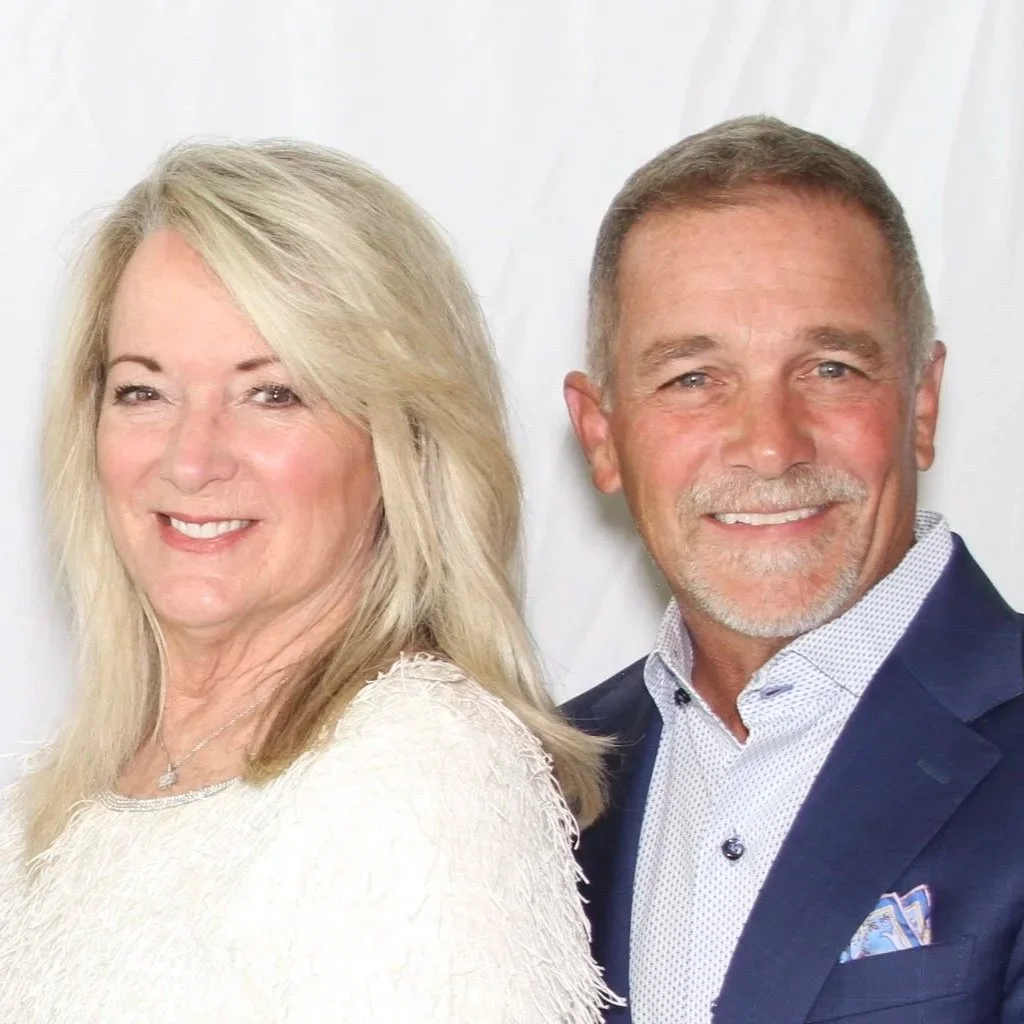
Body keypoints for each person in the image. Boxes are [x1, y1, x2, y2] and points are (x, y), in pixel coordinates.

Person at [0, 139, 618, 1022]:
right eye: (144, 391)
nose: (192, 457)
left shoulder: (420, 771)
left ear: (398, 442)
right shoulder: (44, 812)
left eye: (273, 393)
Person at [563, 115, 1024, 1024]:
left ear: (921, 404)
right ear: (602, 435)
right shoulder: (546, 784)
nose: (770, 446)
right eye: (693, 378)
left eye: (830, 366)